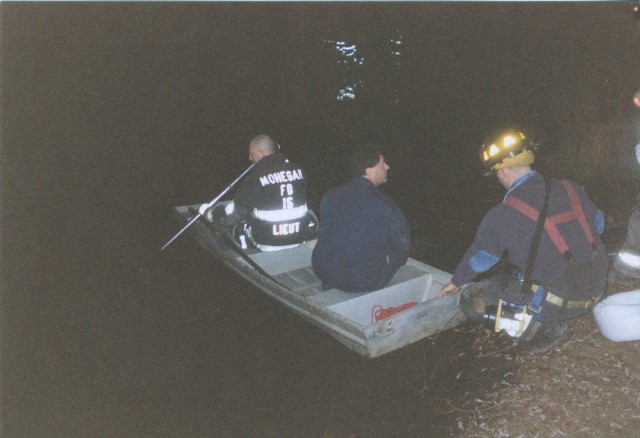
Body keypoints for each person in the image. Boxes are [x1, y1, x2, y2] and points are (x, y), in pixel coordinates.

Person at [436, 129, 608, 353]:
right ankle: (549, 315)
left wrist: (457, 281)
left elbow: (481, 259)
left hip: (556, 302)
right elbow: (599, 224)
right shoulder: (571, 187)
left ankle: (539, 329)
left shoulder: (503, 213)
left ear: (502, 172)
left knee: (470, 301)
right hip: (595, 290)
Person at [311, 143, 411, 292]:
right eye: (383, 163)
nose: (387, 167)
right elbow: (403, 248)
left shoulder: (330, 195)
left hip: (324, 272)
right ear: (368, 170)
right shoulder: (386, 205)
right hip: (362, 281)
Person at [201, 134, 316, 251]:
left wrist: (210, 213)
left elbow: (235, 216)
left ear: (261, 153)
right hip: (299, 238)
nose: (250, 158)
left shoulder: (255, 175)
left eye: (252, 154)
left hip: (267, 241)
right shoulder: (299, 170)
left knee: (236, 225)